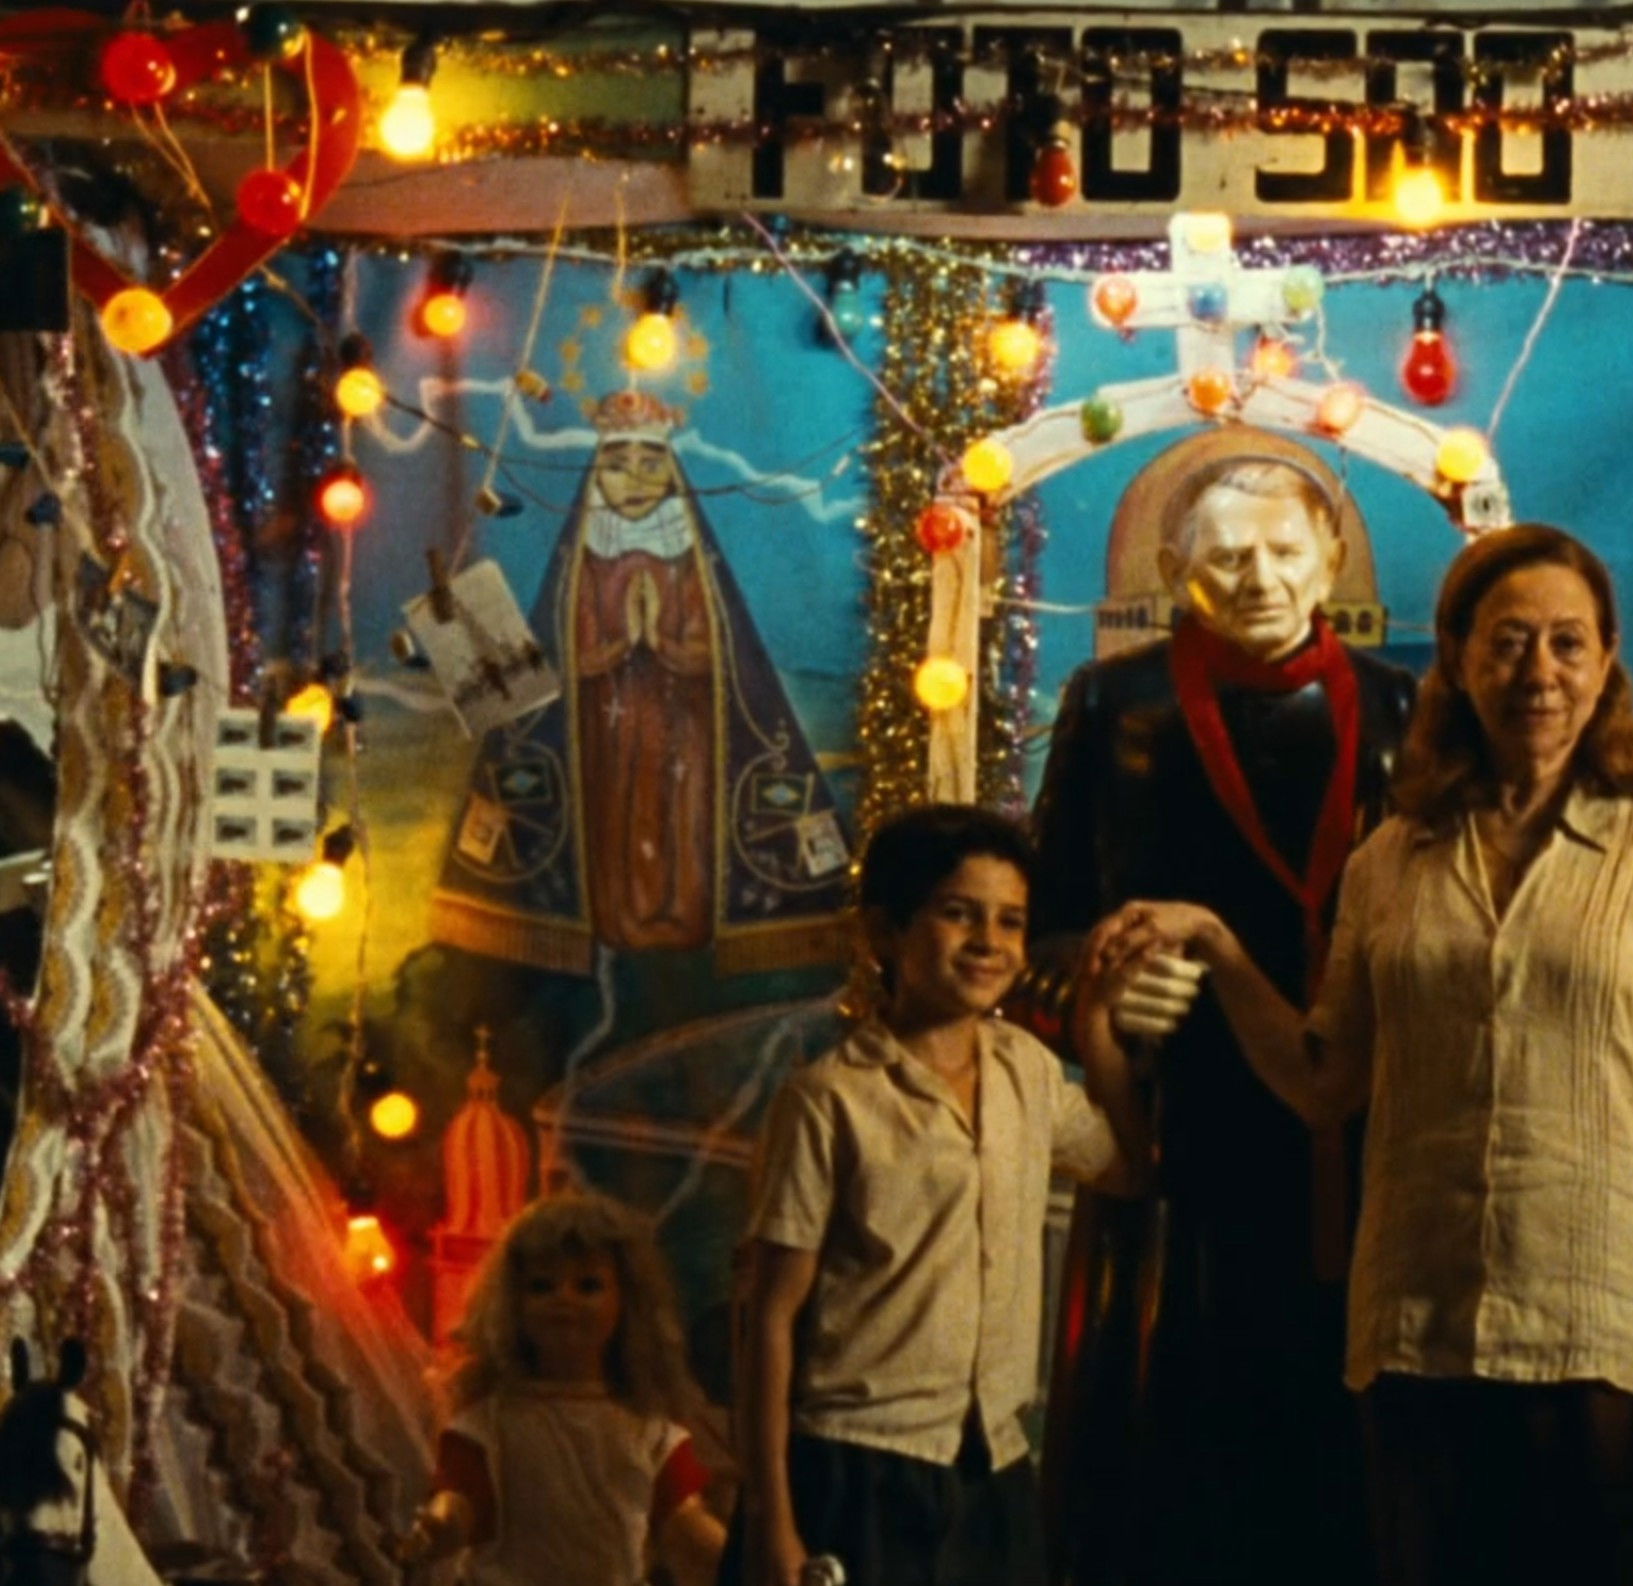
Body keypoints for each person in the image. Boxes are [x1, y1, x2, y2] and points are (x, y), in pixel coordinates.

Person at [1090, 524, 1633, 1586]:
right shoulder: (1391, 860)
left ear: (1607, 659)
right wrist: (1216, 944)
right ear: (1457, 655)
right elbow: (1323, 1082)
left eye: (1568, 643)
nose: (1539, 672)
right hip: (1413, 1333)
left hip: (1596, 1332)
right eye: (1509, 641)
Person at [1030, 442, 1417, 1586]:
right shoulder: (1114, 705)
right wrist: (1098, 991)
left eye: (1285, 551)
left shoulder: (1402, 711)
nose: (1261, 578)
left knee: (1339, 1484)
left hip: (1353, 1142)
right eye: (1228, 557)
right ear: (1172, 570)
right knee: (1161, 1479)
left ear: (1331, 558)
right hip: (1173, 1146)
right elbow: (1036, 933)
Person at [723, 806, 1149, 1586]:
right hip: (861, 1468)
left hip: (993, 1470)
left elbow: (1127, 1167)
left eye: (1010, 920)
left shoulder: (1027, 1070)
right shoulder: (830, 1099)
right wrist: (770, 1518)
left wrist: (1097, 1026)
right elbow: (770, 1318)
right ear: (884, 933)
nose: (989, 941)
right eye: (958, 913)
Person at [432, 389, 848, 978]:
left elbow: (727, 657)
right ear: (596, 474)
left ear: (672, 476)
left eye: (651, 465)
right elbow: (560, 658)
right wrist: (618, 645)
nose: (634, 481)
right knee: (614, 825)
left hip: (687, 732)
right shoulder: (581, 563)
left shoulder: (691, 561)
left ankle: (682, 919)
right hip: (601, 730)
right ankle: (617, 921)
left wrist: (663, 642)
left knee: (682, 821)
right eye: (617, 465)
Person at [397, 1191, 727, 1586]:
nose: (563, 1298)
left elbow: (682, 1522)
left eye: (588, 1286)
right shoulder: (490, 1425)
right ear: (513, 1302)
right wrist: (441, 1523)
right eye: (541, 1286)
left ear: (626, 1301)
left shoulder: (647, 1430)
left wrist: (738, 1557)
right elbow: (463, 1501)